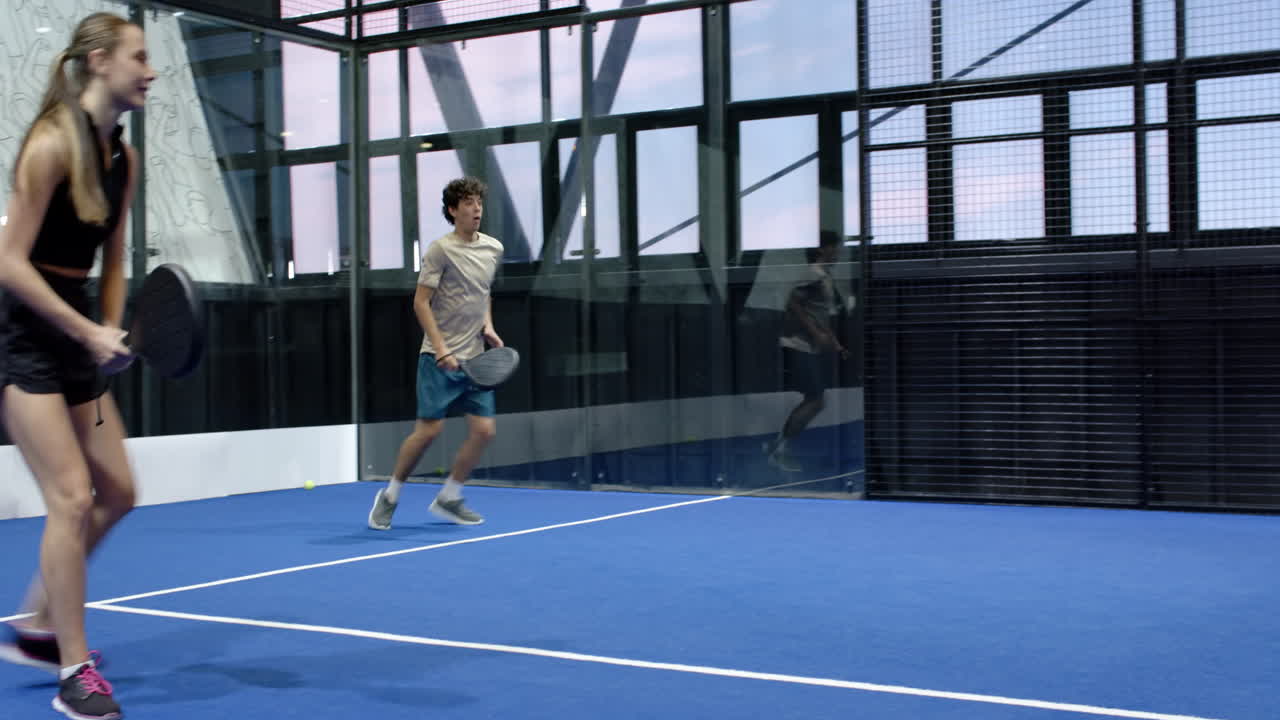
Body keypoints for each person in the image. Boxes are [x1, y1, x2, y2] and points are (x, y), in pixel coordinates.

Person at [0, 12, 153, 720]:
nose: (150, 71)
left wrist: (109, 326)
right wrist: (85, 329)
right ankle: (73, 672)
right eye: (139, 57)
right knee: (71, 496)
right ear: (98, 62)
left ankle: (34, 623)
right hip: (23, 333)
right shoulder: (51, 144)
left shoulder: (123, 156)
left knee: (118, 489)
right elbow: (8, 263)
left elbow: (114, 257)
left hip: (78, 326)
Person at [368, 176, 504, 530]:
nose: (477, 208)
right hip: (439, 358)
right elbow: (421, 302)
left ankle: (450, 497)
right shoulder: (440, 250)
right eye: (469, 203)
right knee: (428, 432)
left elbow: (483, 292)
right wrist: (442, 348)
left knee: (485, 431)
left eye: (479, 202)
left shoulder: (493, 249)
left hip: (475, 360)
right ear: (452, 210)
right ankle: (391, 496)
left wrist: (487, 326)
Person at [763, 239, 850, 472]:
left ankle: (778, 447)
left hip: (809, 346)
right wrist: (814, 333)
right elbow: (793, 302)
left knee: (816, 399)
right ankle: (778, 449)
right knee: (816, 399)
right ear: (822, 249)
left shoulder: (824, 276)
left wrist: (836, 344)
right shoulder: (812, 273)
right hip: (796, 344)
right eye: (835, 247)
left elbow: (819, 316)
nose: (838, 251)